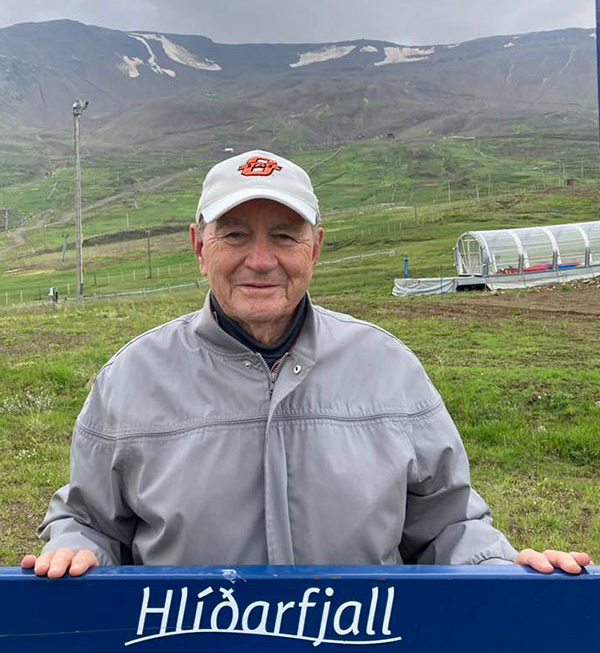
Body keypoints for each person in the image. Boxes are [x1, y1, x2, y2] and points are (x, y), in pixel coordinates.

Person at [23, 150, 590, 578]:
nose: (261, 260)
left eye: (285, 236)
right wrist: (76, 551)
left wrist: (502, 571)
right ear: (199, 246)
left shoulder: (389, 369)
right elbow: (90, 519)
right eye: (236, 235)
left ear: (315, 248)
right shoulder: (131, 378)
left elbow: (447, 522)